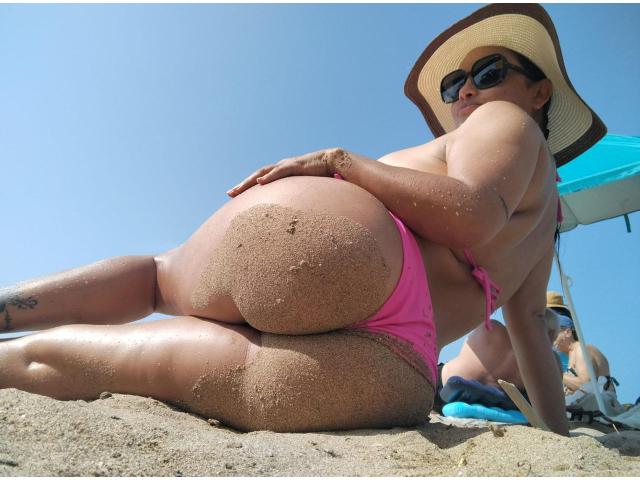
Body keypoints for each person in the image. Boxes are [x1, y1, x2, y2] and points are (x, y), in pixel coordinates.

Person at [0, 4, 605, 436]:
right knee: (136, 367)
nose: (467, 92)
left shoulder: (508, 121)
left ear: (539, 93)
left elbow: (472, 215)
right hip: (395, 356)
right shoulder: (544, 218)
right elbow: (530, 325)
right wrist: (557, 436)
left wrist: (342, 161)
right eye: (454, 85)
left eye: (490, 73)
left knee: (159, 280)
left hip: (352, 241)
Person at [439, 308, 561, 400]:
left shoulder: (491, 327)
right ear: (550, 334)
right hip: (490, 400)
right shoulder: (552, 363)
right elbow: (551, 399)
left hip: (442, 388)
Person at [548, 292, 616, 394]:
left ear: (567, 332)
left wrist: (556, 373)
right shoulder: (571, 355)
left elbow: (586, 386)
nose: (549, 338)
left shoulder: (581, 349)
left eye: (554, 333)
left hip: (598, 403)